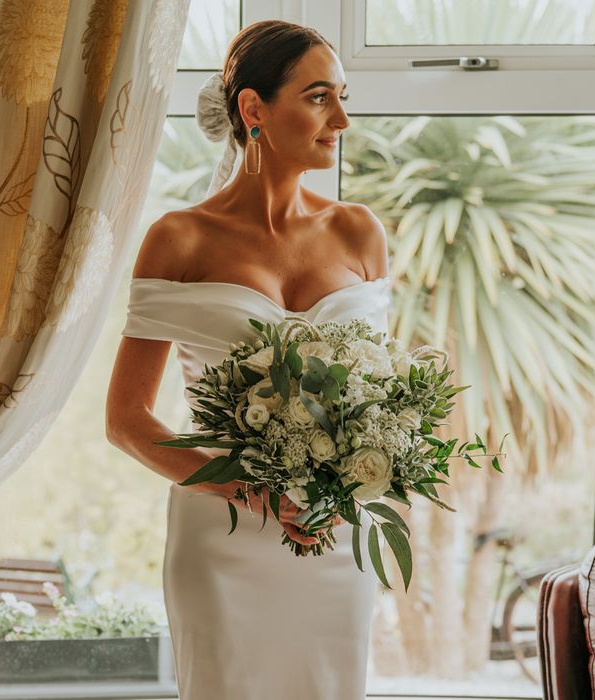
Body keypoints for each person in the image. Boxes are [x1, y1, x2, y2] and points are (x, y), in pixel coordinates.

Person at [105, 19, 390, 700]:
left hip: (336, 537)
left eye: (342, 96)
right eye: (320, 97)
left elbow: (377, 395)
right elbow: (127, 419)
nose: (341, 118)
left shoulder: (359, 232)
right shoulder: (179, 239)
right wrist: (253, 492)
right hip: (223, 530)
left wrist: (370, 468)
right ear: (254, 109)